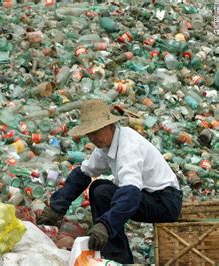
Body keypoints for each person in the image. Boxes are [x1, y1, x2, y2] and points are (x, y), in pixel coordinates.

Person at [37, 99, 182, 264]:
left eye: (97, 132)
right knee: (99, 188)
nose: (93, 138)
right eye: (89, 134)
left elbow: (131, 191)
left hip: (164, 202)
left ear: (109, 126)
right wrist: (57, 207)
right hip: (145, 196)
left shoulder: (129, 146)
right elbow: (85, 172)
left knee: (103, 192)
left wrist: (105, 225)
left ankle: (117, 257)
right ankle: (115, 254)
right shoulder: (106, 145)